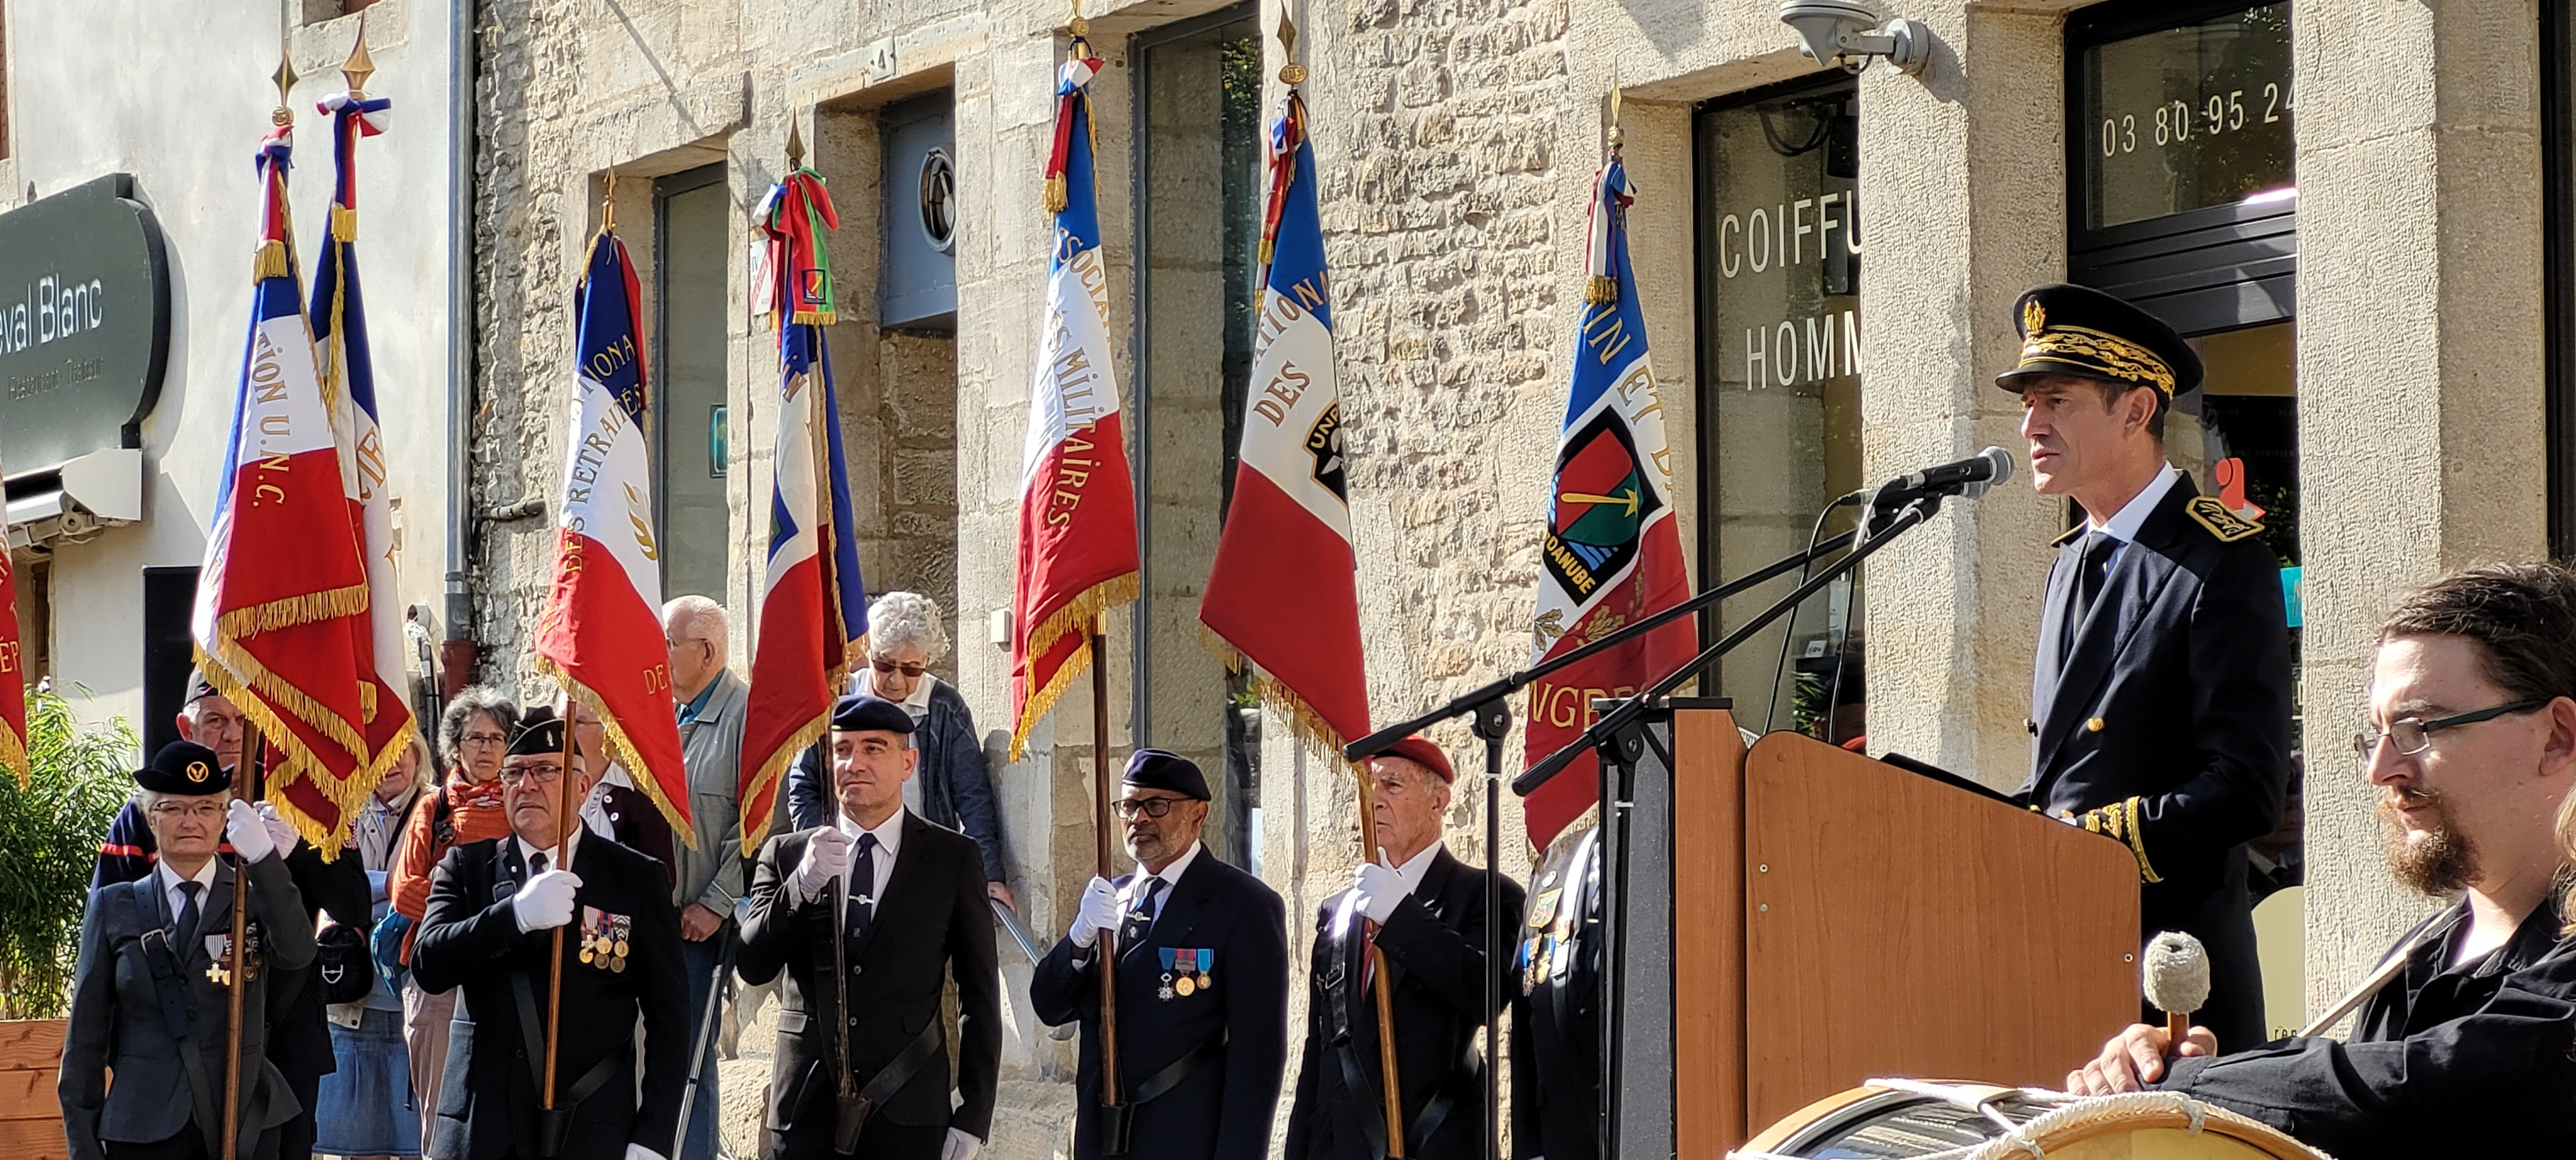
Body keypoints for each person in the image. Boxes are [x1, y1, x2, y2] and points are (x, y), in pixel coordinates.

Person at [2064, 563, 2576, 1159]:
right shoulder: (2422, 955)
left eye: (2419, 729)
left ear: (2557, 735)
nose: (2381, 769)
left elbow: (2432, 1089)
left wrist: (2195, 1090)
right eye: (2376, 734)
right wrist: (2164, 1074)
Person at [2004, 282, 2292, 1050]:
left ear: (2136, 410)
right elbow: (2063, 772)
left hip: (2173, 981)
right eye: (2029, 403)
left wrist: (2087, 840)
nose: (2031, 425)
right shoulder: (2070, 562)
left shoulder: (2222, 561)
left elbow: (2246, 788)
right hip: (2069, 956)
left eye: (2057, 400)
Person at [88, 672, 373, 1160]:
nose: (232, 734)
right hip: (177, 1044)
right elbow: (108, 933)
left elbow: (354, 906)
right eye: (215, 720)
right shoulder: (148, 816)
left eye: (244, 720)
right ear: (186, 727)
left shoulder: (296, 799)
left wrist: (298, 851)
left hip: (281, 1040)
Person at [412, 706, 687, 1160]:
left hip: (591, 1122)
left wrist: (654, 1134)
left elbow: (669, 1016)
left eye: (546, 770)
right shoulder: (467, 870)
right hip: (483, 1127)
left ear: (582, 787)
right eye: (515, 773)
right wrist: (513, 916)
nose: (527, 785)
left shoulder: (634, 879)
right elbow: (429, 965)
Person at [734, 694, 1000, 1160]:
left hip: (908, 1109)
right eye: (842, 749)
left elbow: (979, 994)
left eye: (874, 748)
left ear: (908, 762)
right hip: (803, 1112)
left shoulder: (951, 858)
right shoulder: (787, 855)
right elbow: (754, 965)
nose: (854, 763)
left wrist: (975, 1113)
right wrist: (802, 885)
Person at [59, 741, 319, 1160]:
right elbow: (85, 1042)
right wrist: (84, 1147)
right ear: (150, 817)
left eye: (205, 809)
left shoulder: (251, 900)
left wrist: (266, 860)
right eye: (173, 808)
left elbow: (297, 953)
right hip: (143, 1126)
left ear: (224, 821)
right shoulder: (115, 905)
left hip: (241, 1122)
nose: (190, 822)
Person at [1030, 749, 1288, 1160]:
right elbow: (1049, 1006)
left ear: (1198, 815)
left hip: (1184, 1137)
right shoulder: (1111, 899)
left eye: (1156, 805)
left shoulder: (1242, 905)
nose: (1138, 819)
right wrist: (1079, 939)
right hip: (1104, 1138)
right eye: (1129, 806)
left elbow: (1256, 1057)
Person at [1287, 737, 1524, 1160]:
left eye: (1392, 786)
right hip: (1340, 1146)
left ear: (1438, 802)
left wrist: (1400, 915)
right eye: (1369, 788)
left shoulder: (1484, 895)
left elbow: (1486, 994)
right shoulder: (1338, 911)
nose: (1375, 801)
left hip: (1432, 1141)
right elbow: (1319, 1051)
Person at [785, 592, 1009, 911]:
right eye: (885, 664)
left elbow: (972, 795)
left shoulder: (944, 706)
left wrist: (988, 874)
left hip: (924, 866)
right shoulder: (836, 697)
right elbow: (803, 784)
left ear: (928, 662)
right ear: (869, 653)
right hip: (845, 864)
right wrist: (818, 846)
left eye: (912, 669)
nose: (896, 680)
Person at [386, 687, 518, 1157]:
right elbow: (403, 890)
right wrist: (471, 923)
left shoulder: (523, 805)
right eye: (475, 738)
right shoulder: (434, 806)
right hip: (442, 974)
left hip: (511, 969)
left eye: (497, 738)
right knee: (440, 1114)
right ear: (455, 747)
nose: (486, 748)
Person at [659, 595, 747, 1160]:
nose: (655, 656)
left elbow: (760, 825)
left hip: (702, 927)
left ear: (707, 651)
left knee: (690, 1057)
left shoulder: (747, 715)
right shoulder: (661, 712)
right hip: (650, 921)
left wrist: (717, 902)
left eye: (665, 645)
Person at [319, 736, 429, 1160]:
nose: (392, 762)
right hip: (351, 987)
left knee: (417, 1128)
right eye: (379, 753)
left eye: (401, 748)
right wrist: (392, 885)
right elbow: (332, 888)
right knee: (360, 1132)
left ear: (417, 753)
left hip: (412, 984)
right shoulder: (340, 814)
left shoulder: (438, 810)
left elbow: (436, 883)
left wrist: (369, 885)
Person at [1508, 823, 1601, 1160]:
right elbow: (1527, 1014)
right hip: (1564, 1138)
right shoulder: (1556, 864)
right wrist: (1529, 1149)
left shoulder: (1685, 842)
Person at [567, 699, 678, 887]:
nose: (565, 731)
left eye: (578, 723)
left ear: (609, 730)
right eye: (560, 720)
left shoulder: (640, 799)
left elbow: (660, 882)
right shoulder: (546, 790)